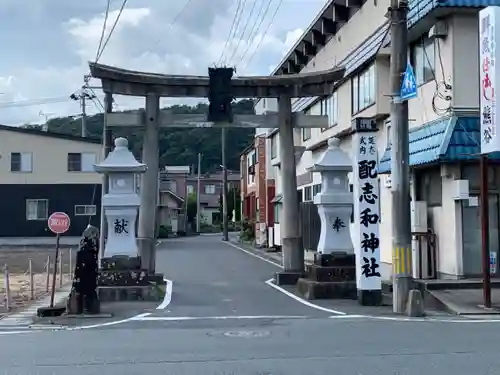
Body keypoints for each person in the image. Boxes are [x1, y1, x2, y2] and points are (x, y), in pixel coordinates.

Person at [66, 225, 100, 314]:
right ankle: (85, 308)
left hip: (87, 275)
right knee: (86, 292)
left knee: (87, 292)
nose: (96, 237)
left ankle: (85, 308)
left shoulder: (87, 246)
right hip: (86, 274)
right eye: (95, 235)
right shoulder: (87, 247)